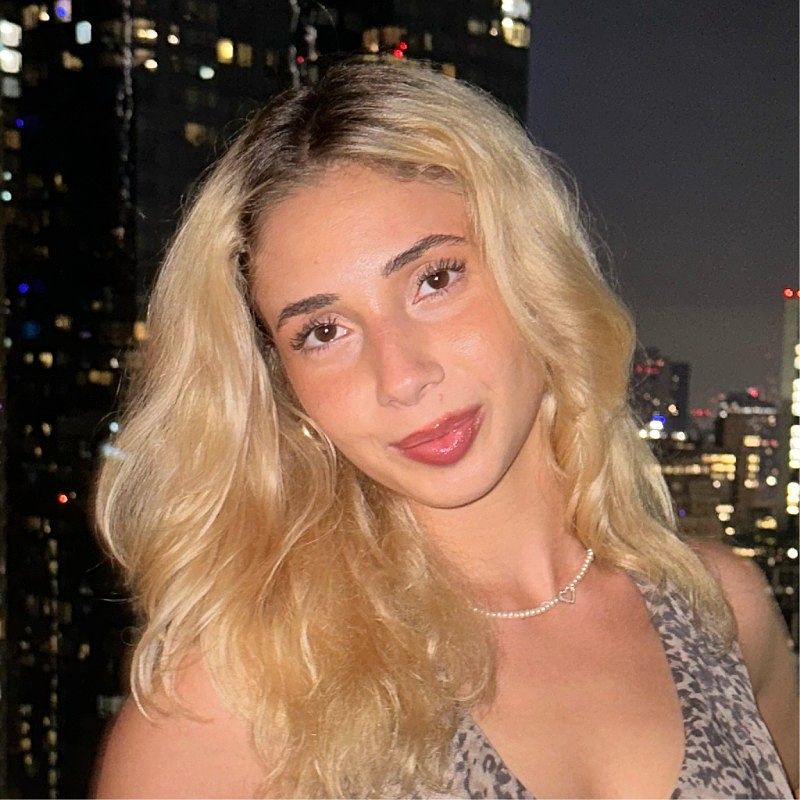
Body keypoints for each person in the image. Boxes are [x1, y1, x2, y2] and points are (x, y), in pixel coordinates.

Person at [91, 60, 797, 799]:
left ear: (533, 268)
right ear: (282, 385)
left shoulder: (723, 616)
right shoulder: (230, 704)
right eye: (324, 331)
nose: (401, 376)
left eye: (435, 279)